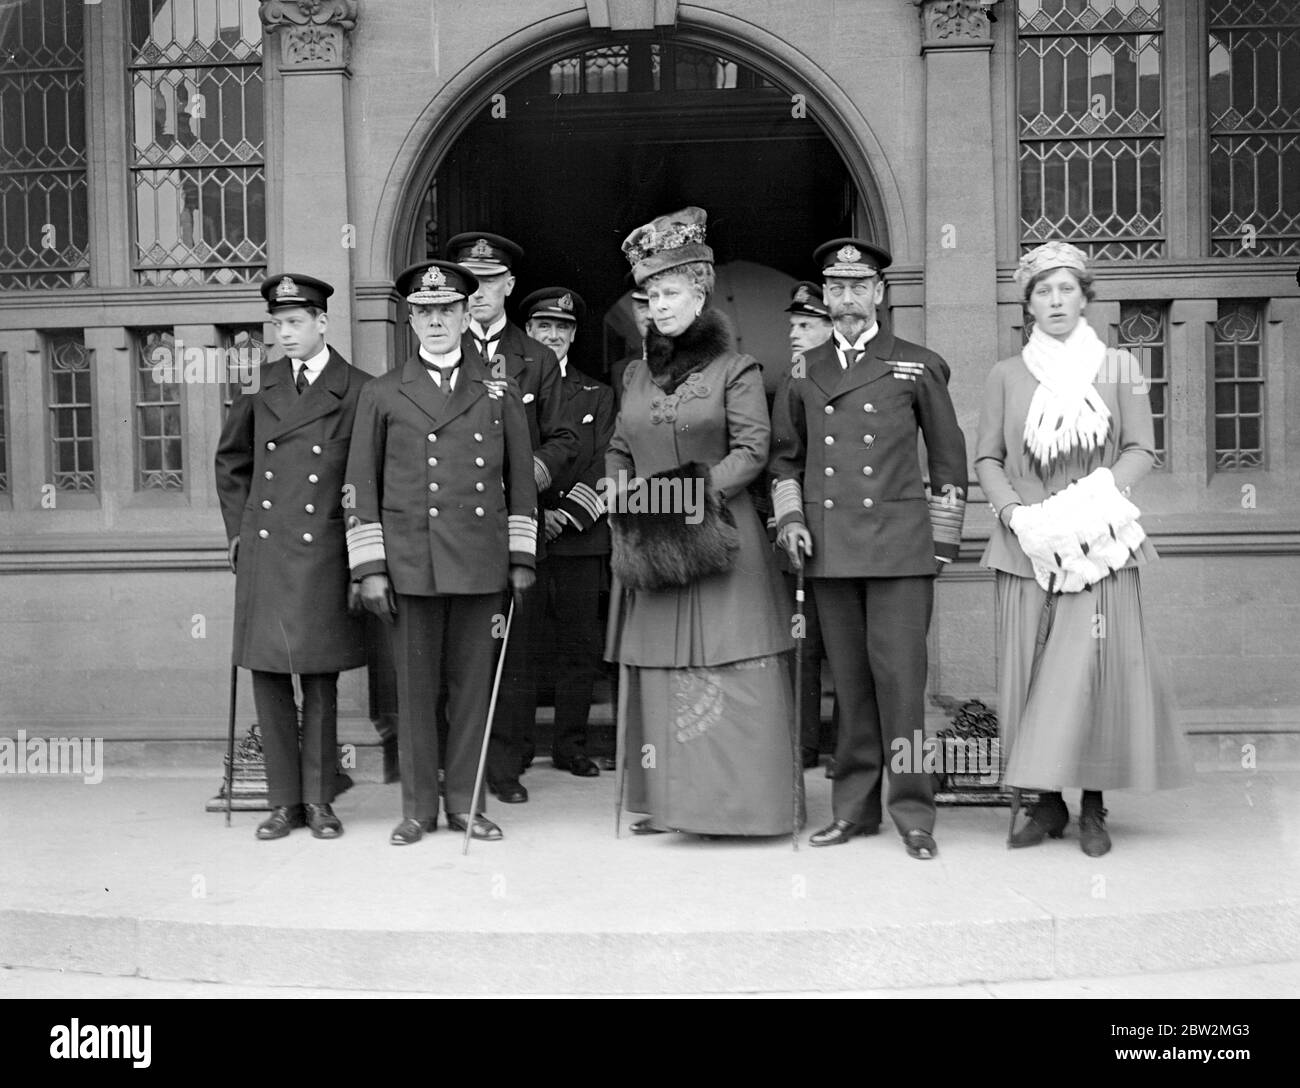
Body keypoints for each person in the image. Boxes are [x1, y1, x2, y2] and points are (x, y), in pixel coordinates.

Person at [974, 241, 1192, 857]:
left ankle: (1094, 806)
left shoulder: (1119, 365)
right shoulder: (1005, 374)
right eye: (1043, 291)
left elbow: (1142, 449)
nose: (1055, 300)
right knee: (1034, 672)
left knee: (1098, 674)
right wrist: (1019, 517)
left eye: (1066, 288)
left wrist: (1087, 505)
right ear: (1029, 305)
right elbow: (987, 457)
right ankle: (1047, 805)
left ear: (1085, 296)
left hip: (1101, 544)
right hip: (1028, 550)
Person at [770, 238, 968, 859]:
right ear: (825, 297)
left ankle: (913, 814)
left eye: (858, 288)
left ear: (879, 294)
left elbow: (949, 461)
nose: (846, 299)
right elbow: (785, 457)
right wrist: (792, 520)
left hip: (902, 554)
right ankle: (853, 811)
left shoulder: (917, 364)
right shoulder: (804, 369)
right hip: (832, 551)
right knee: (851, 688)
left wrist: (939, 546)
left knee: (902, 687)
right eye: (835, 289)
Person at [607, 206, 799, 838]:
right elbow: (617, 447)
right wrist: (622, 492)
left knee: (729, 666)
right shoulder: (634, 374)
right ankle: (671, 805)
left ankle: (743, 807)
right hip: (652, 544)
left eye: (670, 292)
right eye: (651, 295)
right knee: (663, 674)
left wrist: (680, 500)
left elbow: (752, 451)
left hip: (722, 540)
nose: (659, 306)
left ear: (700, 292)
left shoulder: (735, 369)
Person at [344, 259, 537, 845]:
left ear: (463, 314)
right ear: (410, 319)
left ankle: (466, 804)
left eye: (446, 311)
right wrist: (369, 568)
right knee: (415, 692)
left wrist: (522, 557)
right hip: (410, 565)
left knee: (473, 690)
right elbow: (359, 485)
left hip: (479, 563)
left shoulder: (498, 390)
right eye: (424, 312)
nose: (435, 322)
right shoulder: (382, 393)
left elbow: (521, 479)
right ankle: (418, 809)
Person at [214, 274, 369, 841]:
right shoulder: (261, 383)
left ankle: (321, 800)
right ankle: (285, 802)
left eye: (295, 322)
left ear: (323, 323)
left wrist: (360, 552)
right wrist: (238, 532)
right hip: (267, 548)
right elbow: (231, 462)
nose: (284, 333)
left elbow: (364, 480)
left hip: (324, 550)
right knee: (271, 678)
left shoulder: (357, 388)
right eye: (277, 323)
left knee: (320, 680)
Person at [447, 231, 579, 804]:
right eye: (466, 282)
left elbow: (566, 437)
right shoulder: (438, 349)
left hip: (515, 526)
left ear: (508, 286)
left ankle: (505, 767)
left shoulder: (537, 357)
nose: (476, 294)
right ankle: (459, 766)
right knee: (461, 645)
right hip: (452, 525)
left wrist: (528, 477)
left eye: (487, 282)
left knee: (513, 650)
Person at [521, 287, 615, 778]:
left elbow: (608, 460)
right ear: (529, 333)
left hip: (580, 536)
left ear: (574, 335)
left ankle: (570, 746)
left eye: (562, 328)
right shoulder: (509, 384)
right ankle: (514, 749)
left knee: (580, 647)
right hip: (523, 533)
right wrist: (537, 512)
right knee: (521, 643)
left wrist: (567, 514)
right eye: (543, 327)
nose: (553, 336)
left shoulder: (598, 394)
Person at [778, 280, 836, 771]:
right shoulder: (794, 381)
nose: (795, 334)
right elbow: (783, 459)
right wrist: (790, 518)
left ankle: (856, 747)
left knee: (852, 645)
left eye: (805, 325)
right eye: (792, 325)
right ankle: (803, 742)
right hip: (803, 532)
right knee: (803, 642)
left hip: (853, 535)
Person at [610, 280, 651, 409]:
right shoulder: (619, 370)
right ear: (633, 309)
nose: (650, 315)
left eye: (656, 303)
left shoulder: (703, 365)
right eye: (642, 306)